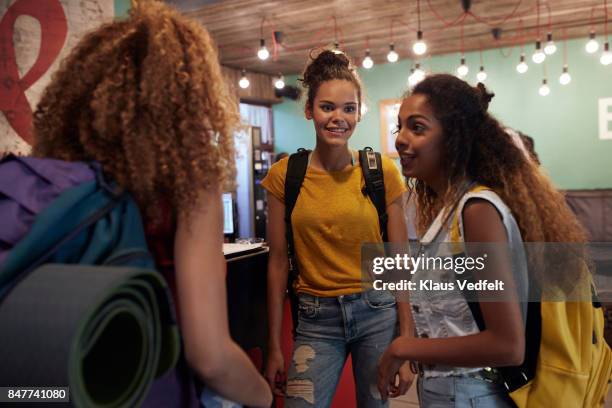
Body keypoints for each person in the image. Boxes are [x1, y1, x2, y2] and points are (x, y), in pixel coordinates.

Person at [30, 3, 272, 407]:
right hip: (148, 383)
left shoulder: (53, 176)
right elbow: (209, 356)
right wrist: (263, 396)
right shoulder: (188, 182)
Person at [377, 74, 588, 406]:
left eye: (417, 128)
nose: (401, 139)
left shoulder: (477, 211)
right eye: (399, 127)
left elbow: (507, 345)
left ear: (454, 139)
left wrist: (404, 346)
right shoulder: (453, 209)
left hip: (473, 396)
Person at [262, 49, 413, 407]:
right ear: (309, 110)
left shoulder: (381, 173)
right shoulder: (284, 177)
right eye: (327, 107)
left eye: (348, 108)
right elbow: (277, 264)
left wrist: (406, 340)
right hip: (315, 319)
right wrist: (273, 345)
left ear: (358, 112)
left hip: (376, 311)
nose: (338, 118)